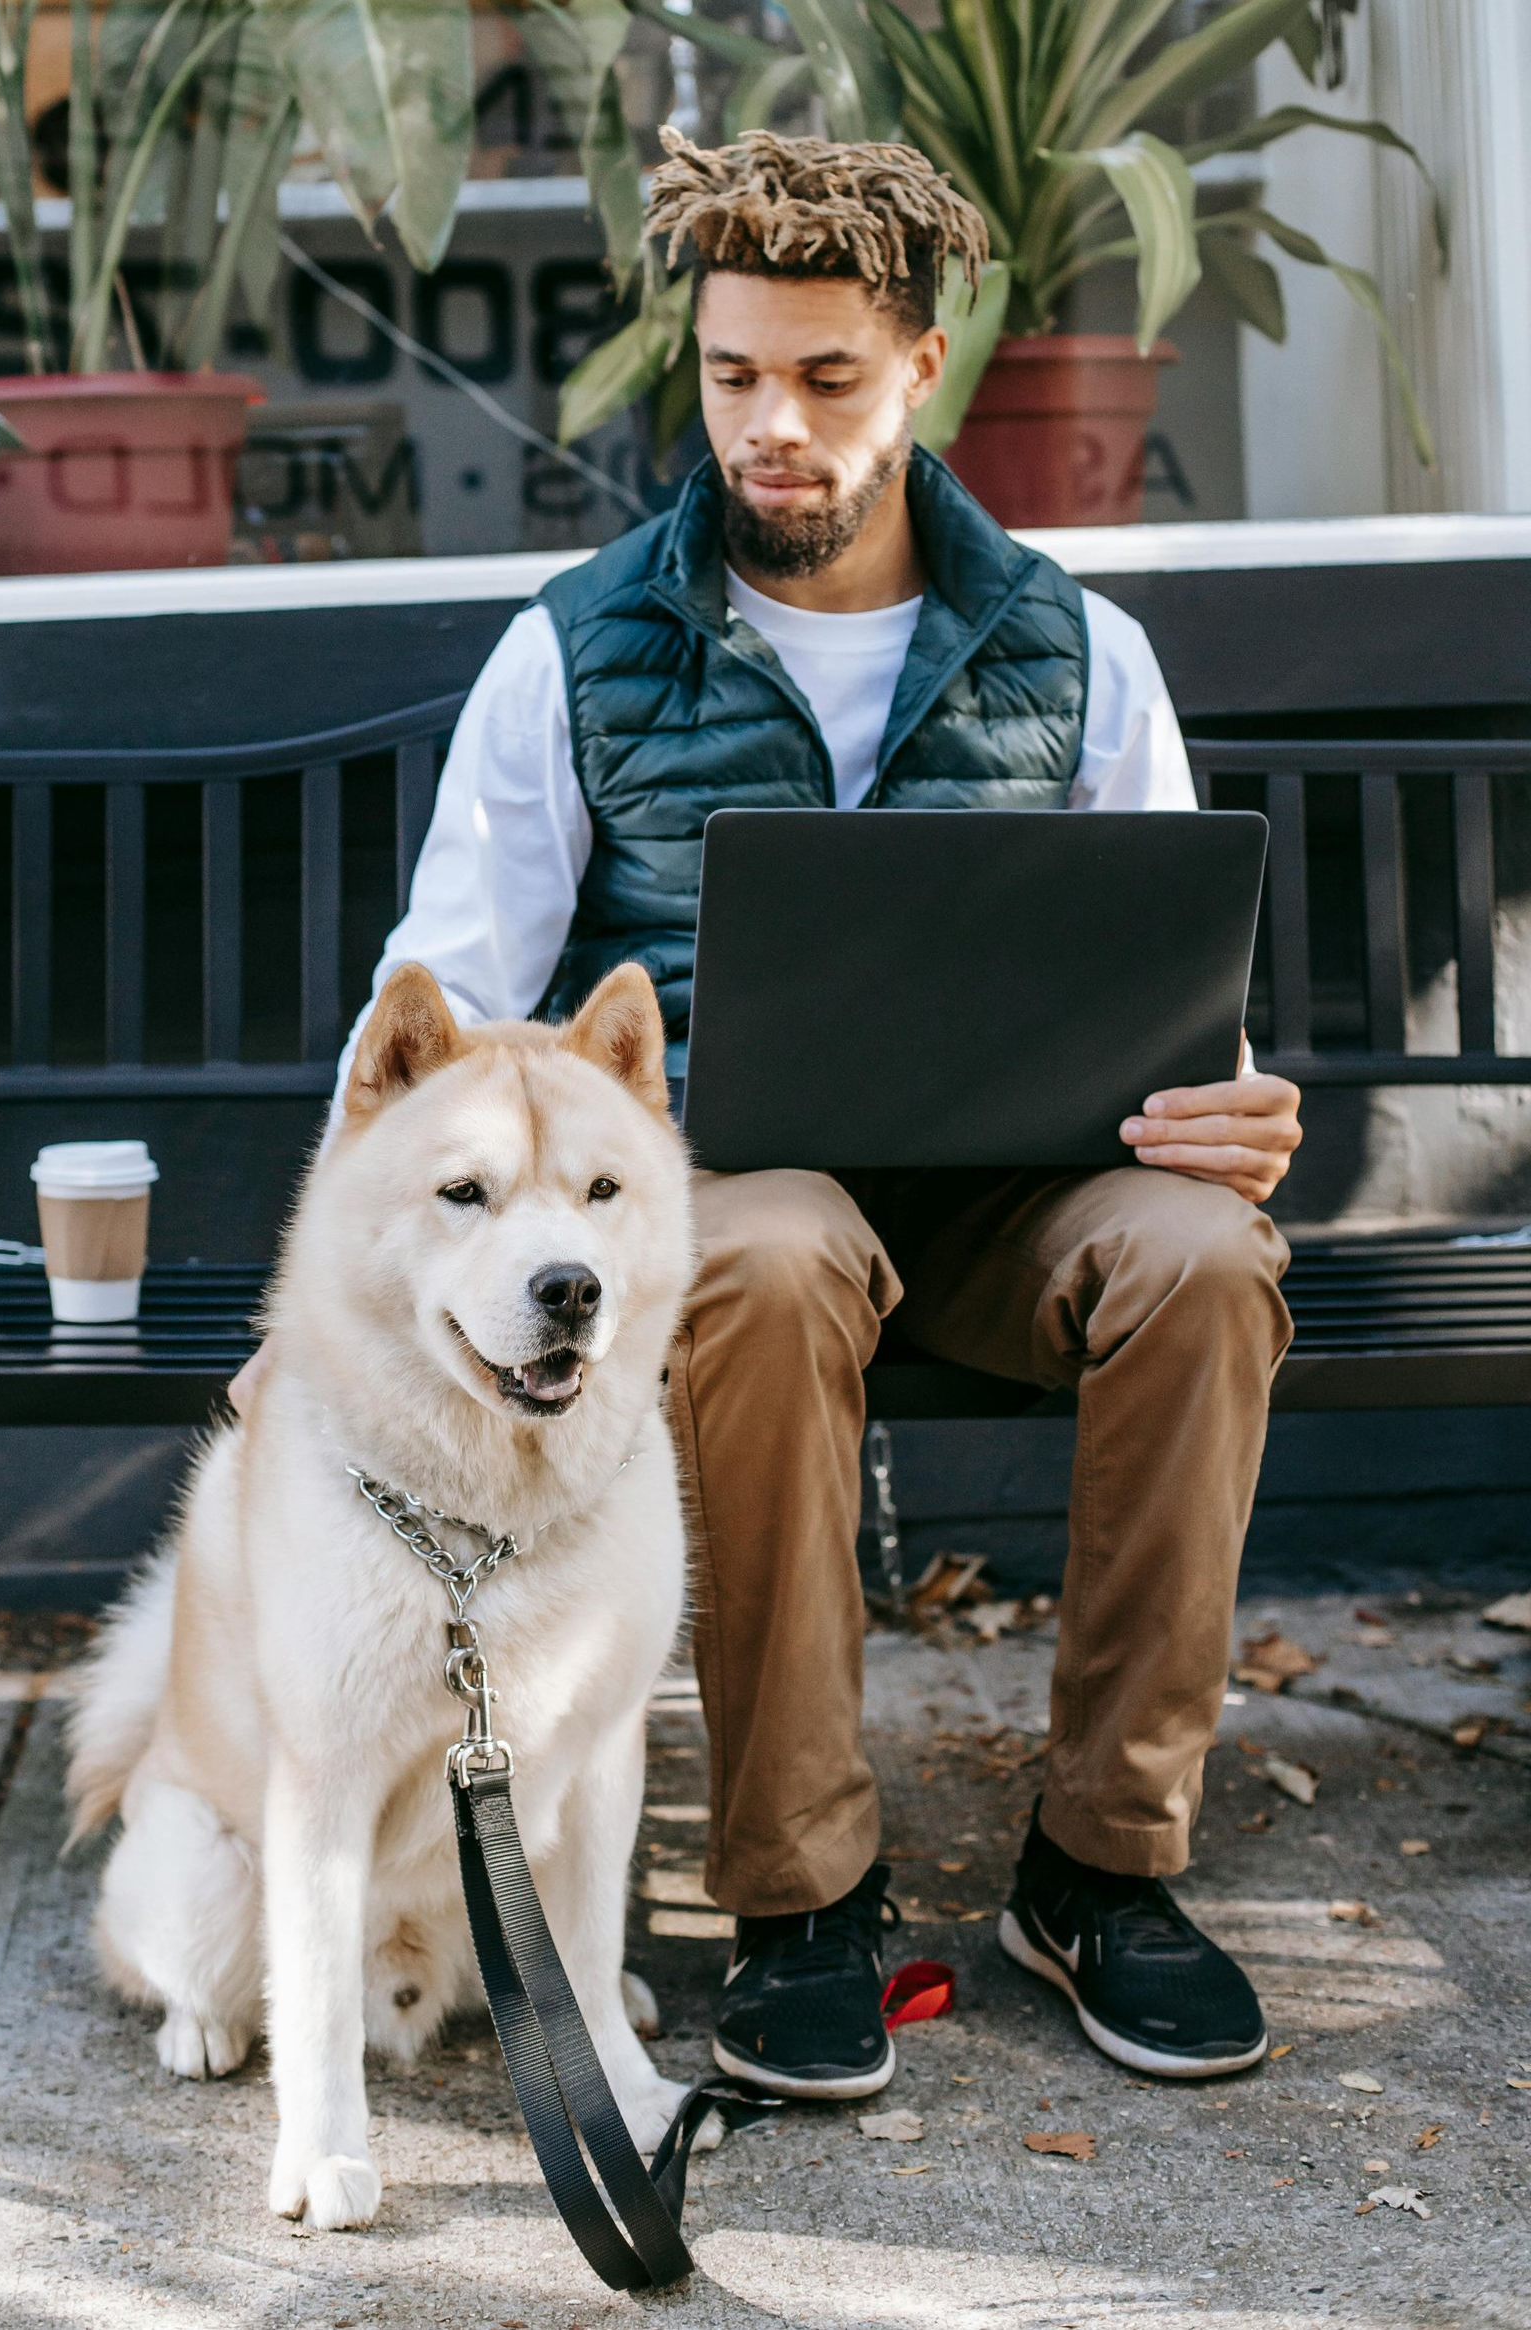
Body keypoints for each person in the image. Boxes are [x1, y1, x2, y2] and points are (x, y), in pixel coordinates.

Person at [268, 128, 1304, 2099]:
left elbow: (1179, 1009)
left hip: (1021, 1212)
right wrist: (309, 1325)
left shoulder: (1085, 657)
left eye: (827, 381)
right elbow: (435, 1022)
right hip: (747, 1224)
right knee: (758, 1239)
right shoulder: (573, 654)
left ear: (923, 364)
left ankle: (1103, 1870)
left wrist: (1230, 1116)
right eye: (736, 376)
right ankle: (804, 1893)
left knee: (1209, 1256)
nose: (774, 425)